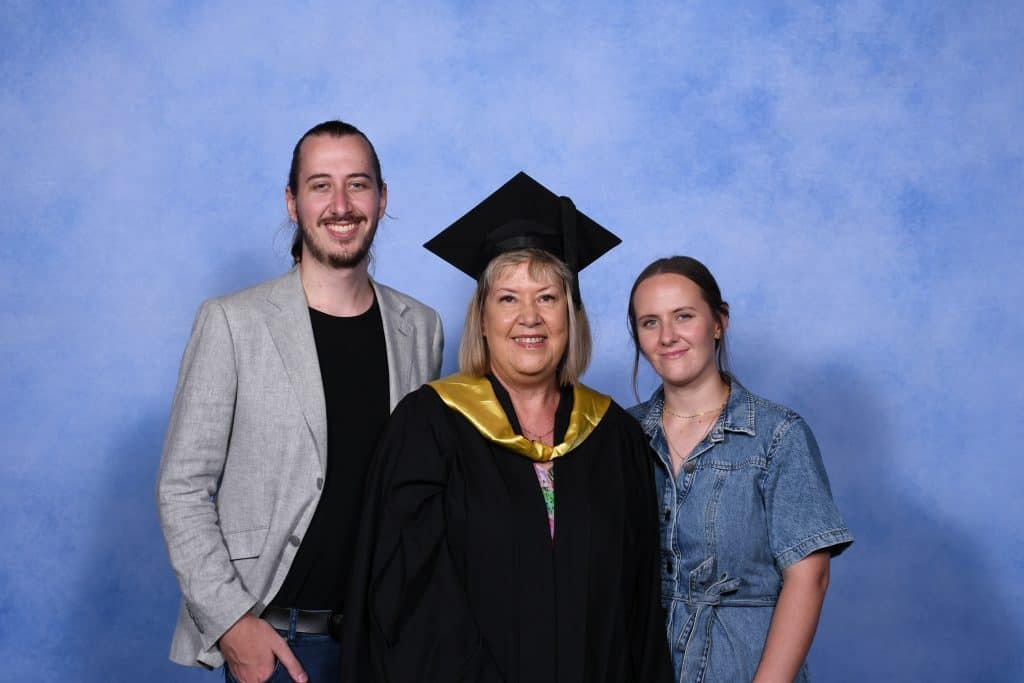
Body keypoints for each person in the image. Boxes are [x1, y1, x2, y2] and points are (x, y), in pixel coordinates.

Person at [341, 172, 673, 682]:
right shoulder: (429, 428)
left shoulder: (614, 438)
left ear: (571, 316)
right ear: (482, 318)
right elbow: (410, 597)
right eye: (508, 298)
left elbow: (639, 611)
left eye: (548, 297)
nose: (529, 317)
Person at [156, 120, 443, 683]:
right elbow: (181, 488)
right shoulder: (233, 322)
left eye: (357, 184)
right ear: (293, 202)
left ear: (382, 199)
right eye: (320, 186)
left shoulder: (420, 328)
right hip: (281, 648)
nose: (341, 205)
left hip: (386, 641)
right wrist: (233, 623)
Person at [626, 255, 853, 682]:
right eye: (650, 322)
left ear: (719, 322)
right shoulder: (621, 436)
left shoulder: (777, 435)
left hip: (742, 667)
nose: (668, 336)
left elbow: (810, 578)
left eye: (684, 316)